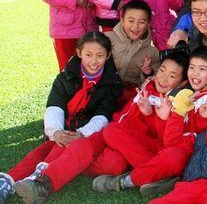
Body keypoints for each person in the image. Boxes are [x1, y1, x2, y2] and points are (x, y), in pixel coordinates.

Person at [0, 32, 122, 204]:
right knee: (47, 147)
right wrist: (55, 131)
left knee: (66, 144)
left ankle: (40, 177)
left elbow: (103, 115)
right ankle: (8, 181)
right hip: (64, 127)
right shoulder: (66, 75)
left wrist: (82, 133)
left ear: (108, 56)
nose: (94, 61)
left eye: (100, 56)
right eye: (88, 55)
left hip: (88, 133)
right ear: (79, 53)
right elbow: (55, 104)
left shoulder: (112, 83)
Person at [91, 51, 190, 197]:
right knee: (111, 132)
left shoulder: (182, 102)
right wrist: (147, 113)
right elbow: (125, 123)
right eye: (162, 71)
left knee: (173, 157)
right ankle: (157, 173)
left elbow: (169, 143)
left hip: (159, 149)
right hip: (136, 146)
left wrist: (162, 118)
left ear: (182, 83)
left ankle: (132, 178)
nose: (163, 78)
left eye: (172, 76)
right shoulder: (148, 88)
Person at [105, 0, 160, 106]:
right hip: (103, 91)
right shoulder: (107, 39)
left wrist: (147, 73)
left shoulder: (152, 53)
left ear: (148, 24)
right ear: (122, 20)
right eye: (131, 21)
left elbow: (153, 83)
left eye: (141, 22)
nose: (135, 26)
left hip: (130, 98)